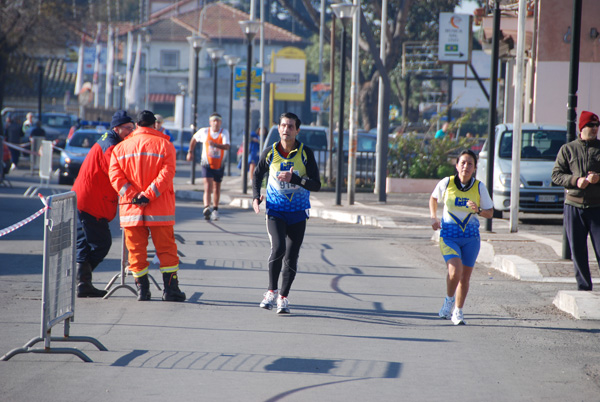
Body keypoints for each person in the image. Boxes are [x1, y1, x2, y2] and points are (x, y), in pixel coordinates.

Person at [109, 110, 186, 302]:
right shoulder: (165, 145)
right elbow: (167, 175)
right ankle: (170, 290)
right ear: (155, 125)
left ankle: (143, 290)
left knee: (135, 251)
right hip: (159, 209)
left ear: (136, 125)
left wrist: (134, 196)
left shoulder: (120, 148)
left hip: (131, 209)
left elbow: (115, 177)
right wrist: (148, 195)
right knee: (166, 250)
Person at [252, 112, 321, 314]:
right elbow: (257, 175)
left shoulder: (305, 153)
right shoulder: (270, 152)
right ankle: (271, 291)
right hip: (275, 210)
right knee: (279, 248)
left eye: (290, 126)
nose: (286, 129)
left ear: (297, 130)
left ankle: (283, 297)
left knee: (291, 257)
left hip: (298, 212)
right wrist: (256, 196)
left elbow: (316, 184)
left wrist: (296, 180)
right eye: (283, 125)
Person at [72, 110, 135, 298]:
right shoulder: (112, 146)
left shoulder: (110, 140)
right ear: (117, 128)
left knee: (84, 244)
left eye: (133, 128)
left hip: (86, 199)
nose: (131, 132)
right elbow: (118, 172)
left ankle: (83, 283)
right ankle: (82, 280)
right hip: (91, 201)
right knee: (102, 243)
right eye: (127, 128)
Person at [429, 149, 493, 325]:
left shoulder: (479, 187)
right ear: (457, 165)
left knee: (464, 277)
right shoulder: (446, 183)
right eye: (463, 163)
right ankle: (449, 301)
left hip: (471, 238)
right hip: (449, 235)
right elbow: (433, 198)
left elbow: (490, 212)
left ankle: (458, 311)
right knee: (454, 271)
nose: (466, 166)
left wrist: (478, 210)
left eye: (470, 164)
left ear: (474, 168)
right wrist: (434, 217)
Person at [551, 111, 600, 291]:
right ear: (582, 127)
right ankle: (584, 286)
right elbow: (556, 175)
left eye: (597, 126)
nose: (595, 129)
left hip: (597, 207)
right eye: (591, 126)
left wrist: (598, 178)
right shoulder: (568, 149)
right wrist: (575, 181)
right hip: (573, 206)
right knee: (578, 251)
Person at [186, 112, 231, 221]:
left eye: (218, 121)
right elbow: (194, 139)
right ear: (210, 122)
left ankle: (215, 209)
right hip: (206, 163)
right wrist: (190, 151)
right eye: (213, 121)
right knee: (208, 186)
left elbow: (227, 146)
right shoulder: (204, 131)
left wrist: (215, 145)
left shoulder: (224, 133)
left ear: (220, 122)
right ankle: (207, 207)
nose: (216, 123)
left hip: (219, 164)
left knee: (216, 187)